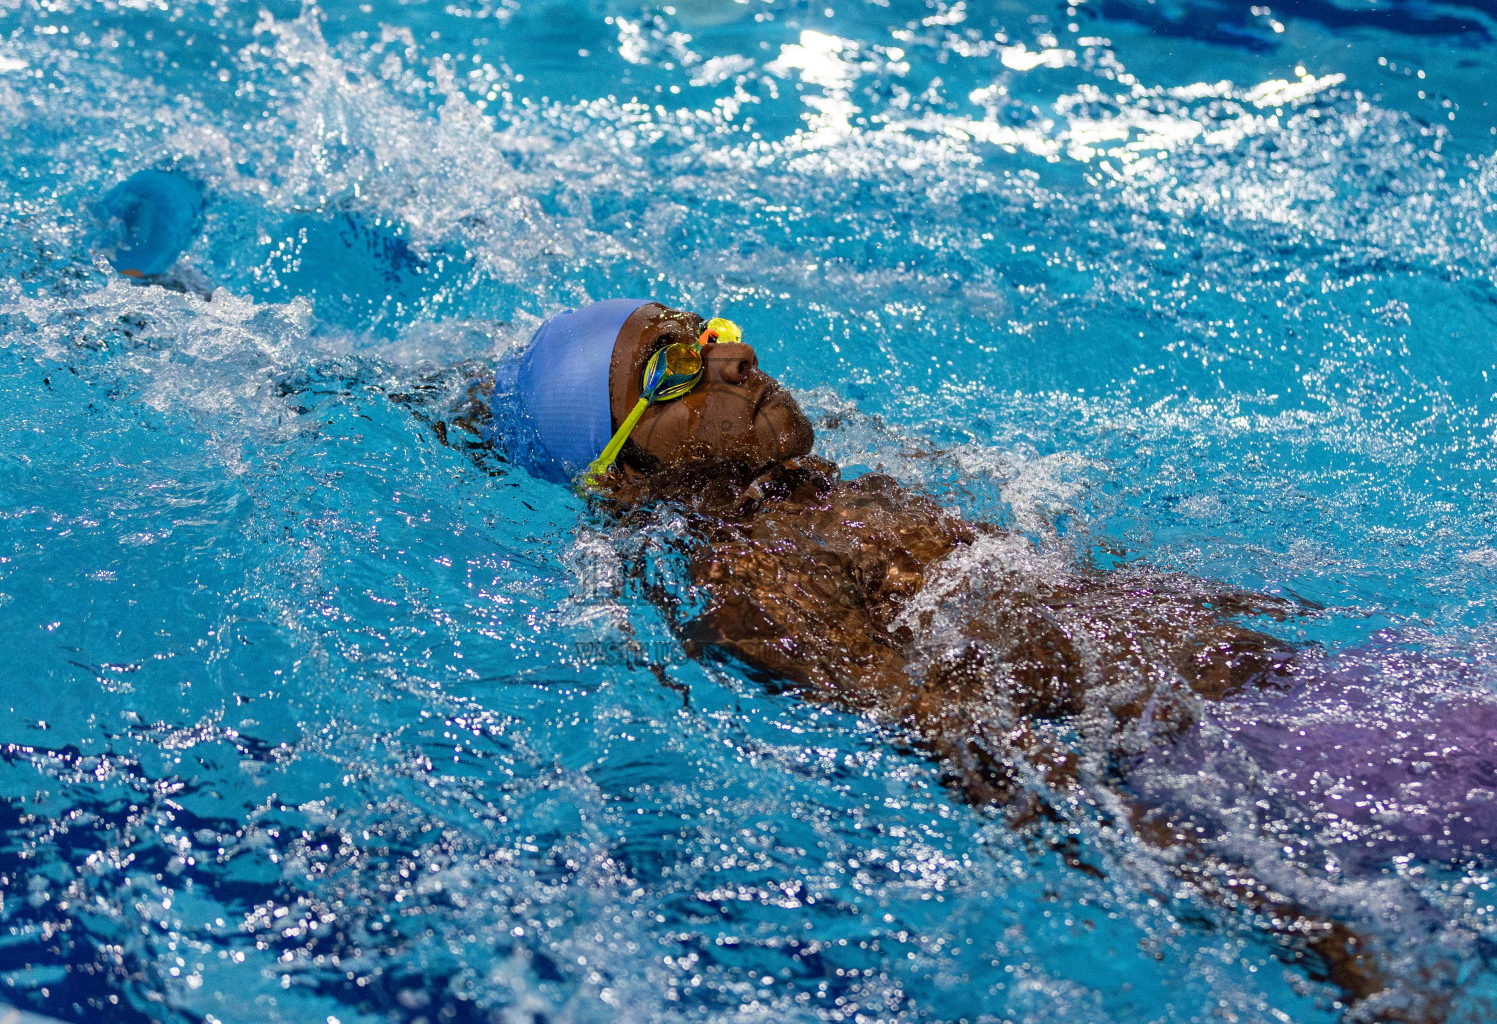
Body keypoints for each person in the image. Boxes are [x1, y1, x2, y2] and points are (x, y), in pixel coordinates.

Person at [473, 298, 1496, 1023]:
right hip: (1276, 758)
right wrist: (1317, 932)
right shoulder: (753, 586)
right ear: (623, 474)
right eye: (672, 368)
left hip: (1314, 692)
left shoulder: (816, 500)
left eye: (705, 331)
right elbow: (969, 744)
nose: (729, 356)